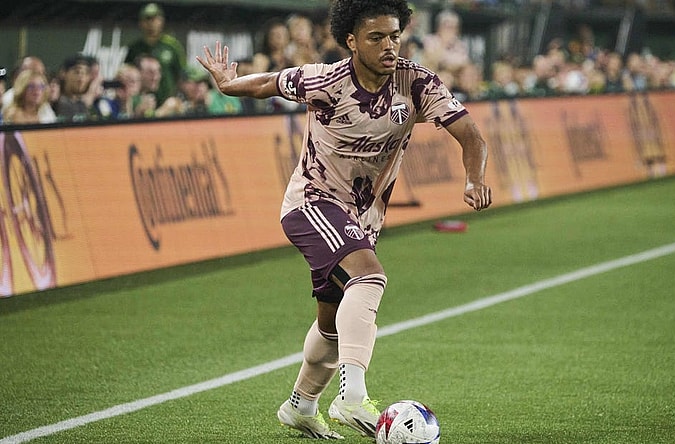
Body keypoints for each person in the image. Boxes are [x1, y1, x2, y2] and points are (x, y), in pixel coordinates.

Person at [197, 0, 492, 439]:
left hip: (361, 218)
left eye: (394, 36)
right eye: (377, 38)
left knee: (331, 325)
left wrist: (474, 179)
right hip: (312, 203)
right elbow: (268, 83)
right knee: (369, 278)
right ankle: (352, 396)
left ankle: (300, 405)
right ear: (352, 42)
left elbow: (470, 134)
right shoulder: (326, 80)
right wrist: (228, 84)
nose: (389, 46)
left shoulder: (416, 83)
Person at [125, 2, 186, 107]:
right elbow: (126, 73)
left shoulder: (172, 46)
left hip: (166, 103)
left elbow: (182, 74)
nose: (150, 24)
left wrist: (176, 99)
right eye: (147, 19)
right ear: (141, 23)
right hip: (141, 104)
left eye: (154, 19)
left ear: (161, 21)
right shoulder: (134, 48)